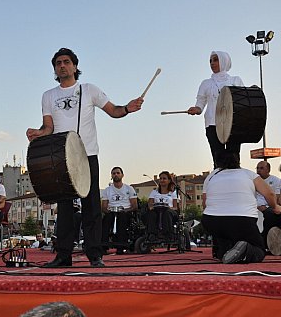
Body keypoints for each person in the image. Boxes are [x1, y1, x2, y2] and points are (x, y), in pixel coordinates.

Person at [26, 47, 144, 267]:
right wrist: (38, 133)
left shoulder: (89, 89)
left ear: (75, 66)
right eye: (58, 63)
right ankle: (63, 255)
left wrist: (127, 108)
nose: (62, 65)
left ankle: (94, 254)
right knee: (65, 208)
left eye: (66, 62)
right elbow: (48, 126)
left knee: (91, 206)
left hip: (87, 154)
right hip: (60, 157)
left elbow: (113, 110)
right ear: (54, 68)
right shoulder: (48, 95)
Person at [202, 151, 281, 264]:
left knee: (224, 245)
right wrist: (275, 206)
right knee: (259, 250)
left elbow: (205, 203)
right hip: (242, 220)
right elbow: (269, 194)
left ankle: (225, 252)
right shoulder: (249, 174)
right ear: (238, 162)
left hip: (211, 220)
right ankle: (245, 250)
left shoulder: (211, 177)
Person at [187, 51, 245, 168]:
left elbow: (242, 100)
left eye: (215, 60)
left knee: (233, 157)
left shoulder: (235, 80)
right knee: (217, 158)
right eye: (210, 61)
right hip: (212, 124)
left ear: (224, 61)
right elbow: (200, 103)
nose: (212, 63)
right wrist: (196, 109)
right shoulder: (206, 83)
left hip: (232, 124)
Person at [101, 166, 138, 255]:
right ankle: (103, 246)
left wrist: (126, 210)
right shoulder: (107, 190)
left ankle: (121, 246)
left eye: (118, 173)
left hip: (125, 211)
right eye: (114, 173)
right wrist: (109, 211)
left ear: (122, 175)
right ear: (111, 176)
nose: (116, 175)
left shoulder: (129, 189)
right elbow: (103, 207)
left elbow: (135, 206)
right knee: (106, 220)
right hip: (111, 211)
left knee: (122, 219)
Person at [147, 171, 178, 240]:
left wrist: (170, 208)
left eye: (164, 178)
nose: (162, 180)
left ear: (169, 180)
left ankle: (167, 234)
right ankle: (152, 234)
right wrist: (151, 207)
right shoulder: (154, 192)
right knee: (152, 213)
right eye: (160, 178)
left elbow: (175, 207)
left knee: (167, 213)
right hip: (157, 210)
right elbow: (150, 204)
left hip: (169, 211)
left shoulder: (173, 193)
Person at [255, 161, 281, 244]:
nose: (258, 170)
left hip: (270, 206)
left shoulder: (276, 180)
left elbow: (277, 197)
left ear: (268, 170)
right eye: (257, 168)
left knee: (270, 214)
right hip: (255, 207)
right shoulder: (253, 181)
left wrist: (270, 206)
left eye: (261, 168)